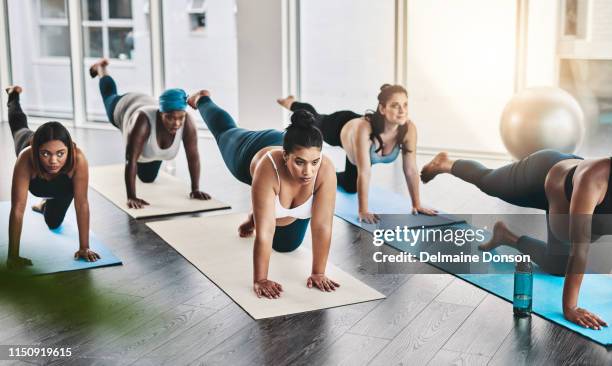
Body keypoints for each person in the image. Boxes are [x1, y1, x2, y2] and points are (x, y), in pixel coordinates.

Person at [421, 149, 610, 330]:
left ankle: (505, 236)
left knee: (559, 266)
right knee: (488, 181)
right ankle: (445, 163)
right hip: (542, 173)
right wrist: (571, 308)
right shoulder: (594, 178)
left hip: (564, 203)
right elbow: (579, 250)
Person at [187, 89, 340, 299]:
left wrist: (318, 273)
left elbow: (322, 225)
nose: (308, 172)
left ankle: (256, 213)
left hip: (293, 150)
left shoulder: (325, 170)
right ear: (286, 156)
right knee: (225, 132)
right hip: (249, 151)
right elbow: (266, 232)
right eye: (300, 163)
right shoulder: (269, 168)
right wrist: (260, 279)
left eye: (314, 162)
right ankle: (203, 99)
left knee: (286, 246)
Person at [277, 84, 436, 224]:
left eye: (405, 105)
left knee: (350, 187)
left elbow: (410, 170)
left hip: (357, 154)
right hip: (341, 126)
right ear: (382, 109)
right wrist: (363, 210)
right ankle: (291, 103)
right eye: (395, 105)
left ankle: (328, 176)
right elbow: (365, 172)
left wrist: (417, 204)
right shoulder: (364, 129)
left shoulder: (409, 129)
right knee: (315, 119)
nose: (402, 110)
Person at [89, 59, 210, 208]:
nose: (176, 123)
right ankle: (101, 69)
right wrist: (131, 197)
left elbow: (193, 157)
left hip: (148, 104)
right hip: (126, 106)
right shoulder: (143, 121)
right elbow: (130, 159)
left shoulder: (188, 123)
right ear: (161, 114)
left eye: (180, 117)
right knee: (109, 97)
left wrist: (195, 189)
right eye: (170, 118)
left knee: (147, 178)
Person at [5, 86, 100, 269]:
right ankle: (13, 96)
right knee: (18, 126)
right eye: (46, 154)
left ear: (69, 150)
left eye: (60, 153)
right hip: (32, 155)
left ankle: (44, 205)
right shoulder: (25, 158)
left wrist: (84, 247)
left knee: (53, 222)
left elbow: (82, 204)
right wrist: (13, 256)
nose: (53, 161)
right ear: (35, 151)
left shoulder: (78, 159)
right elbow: (17, 209)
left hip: (62, 191)